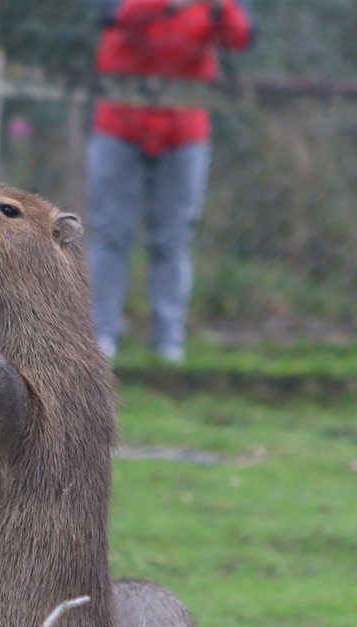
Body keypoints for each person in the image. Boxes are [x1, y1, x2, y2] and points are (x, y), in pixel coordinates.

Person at [87, 0, 255, 363]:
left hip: (185, 131)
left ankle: (168, 342)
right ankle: (100, 336)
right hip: (120, 123)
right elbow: (114, 16)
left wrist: (220, 8)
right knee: (111, 233)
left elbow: (240, 36)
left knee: (173, 239)